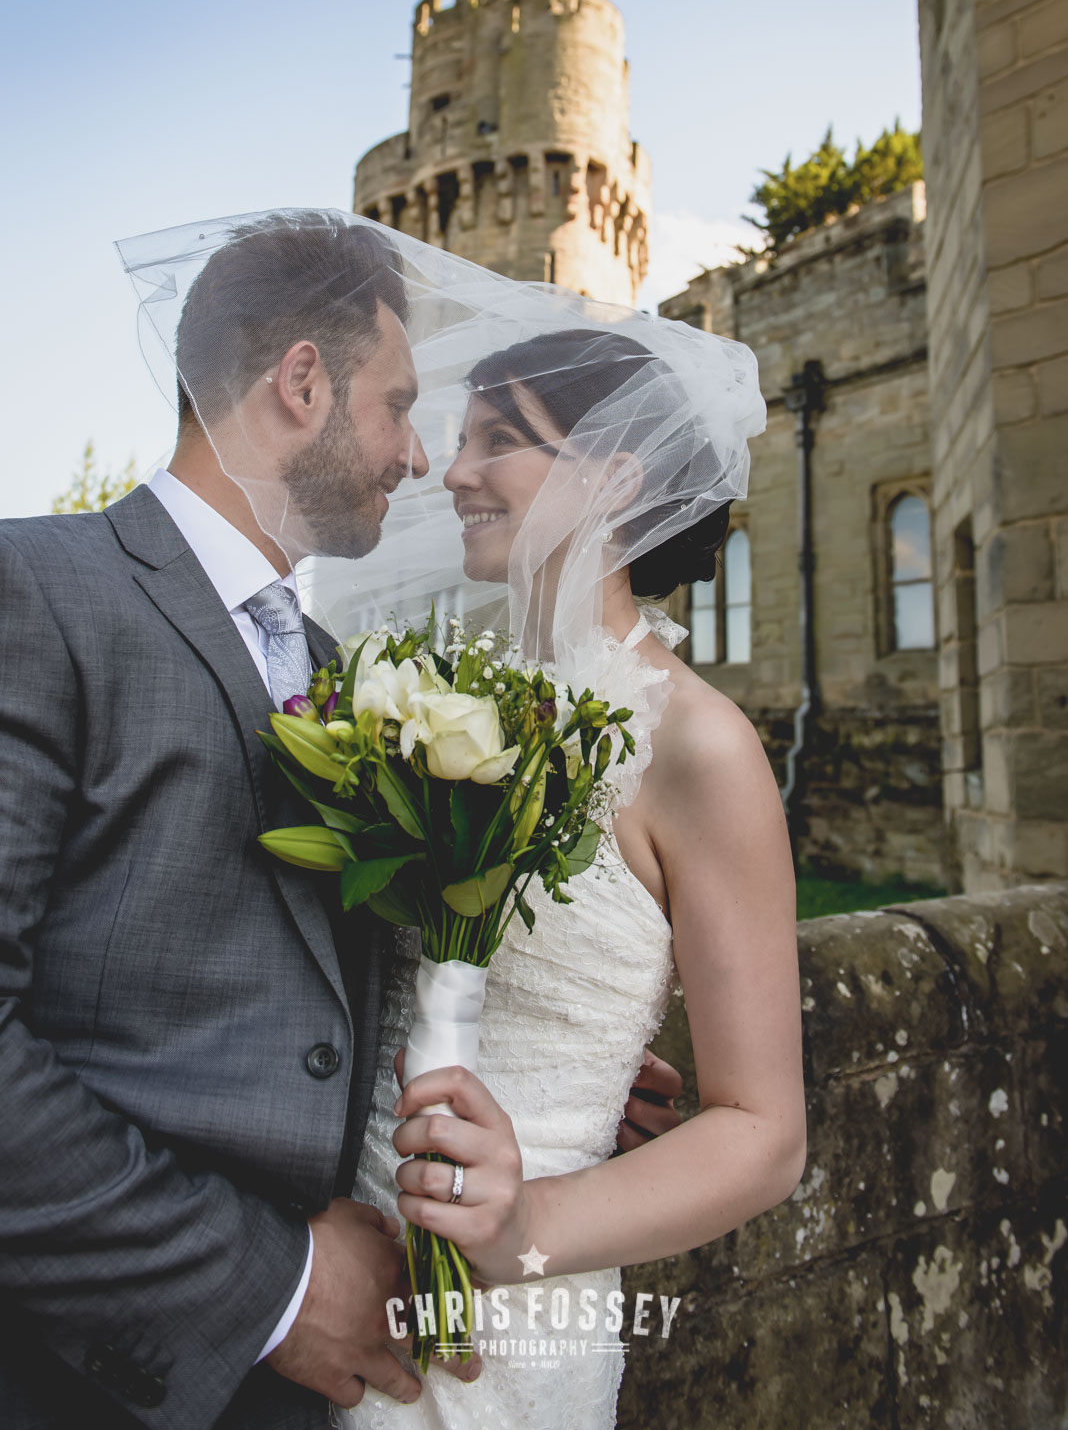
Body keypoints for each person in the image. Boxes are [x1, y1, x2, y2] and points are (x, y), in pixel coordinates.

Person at [0, 213, 677, 1430]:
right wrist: (273, 1288)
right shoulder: (35, 593)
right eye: (400, 406)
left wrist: (551, 1064)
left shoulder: (339, 671)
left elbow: (332, 948)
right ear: (302, 383)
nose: (420, 460)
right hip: (92, 1377)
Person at [335, 328, 806, 1429]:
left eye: (499, 439)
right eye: (459, 439)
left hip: (512, 1318)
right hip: (346, 1268)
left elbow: (764, 1133)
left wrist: (521, 1229)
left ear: (616, 476)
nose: (454, 471)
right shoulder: (437, 701)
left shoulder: (701, 747)